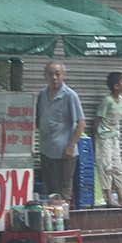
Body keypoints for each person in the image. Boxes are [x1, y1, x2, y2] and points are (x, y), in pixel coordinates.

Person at [36, 61, 86, 202]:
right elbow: (39, 119)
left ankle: (63, 221)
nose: (54, 78)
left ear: (63, 76)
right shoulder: (42, 95)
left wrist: (71, 146)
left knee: (64, 190)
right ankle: (53, 220)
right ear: (45, 76)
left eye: (58, 74)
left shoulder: (70, 96)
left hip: (65, 152)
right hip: (46, 150)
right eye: (50, 74)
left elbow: (81, 123)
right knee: (50, 189)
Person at [94, 71, 122, 208]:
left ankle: (121, 196)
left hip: (114, 137)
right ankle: (108, 198)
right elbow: (98, 118)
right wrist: (98, 136)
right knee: (106, 167)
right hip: (104, 138)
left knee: (118, 167)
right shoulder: (107, 101)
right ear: (116, 86)